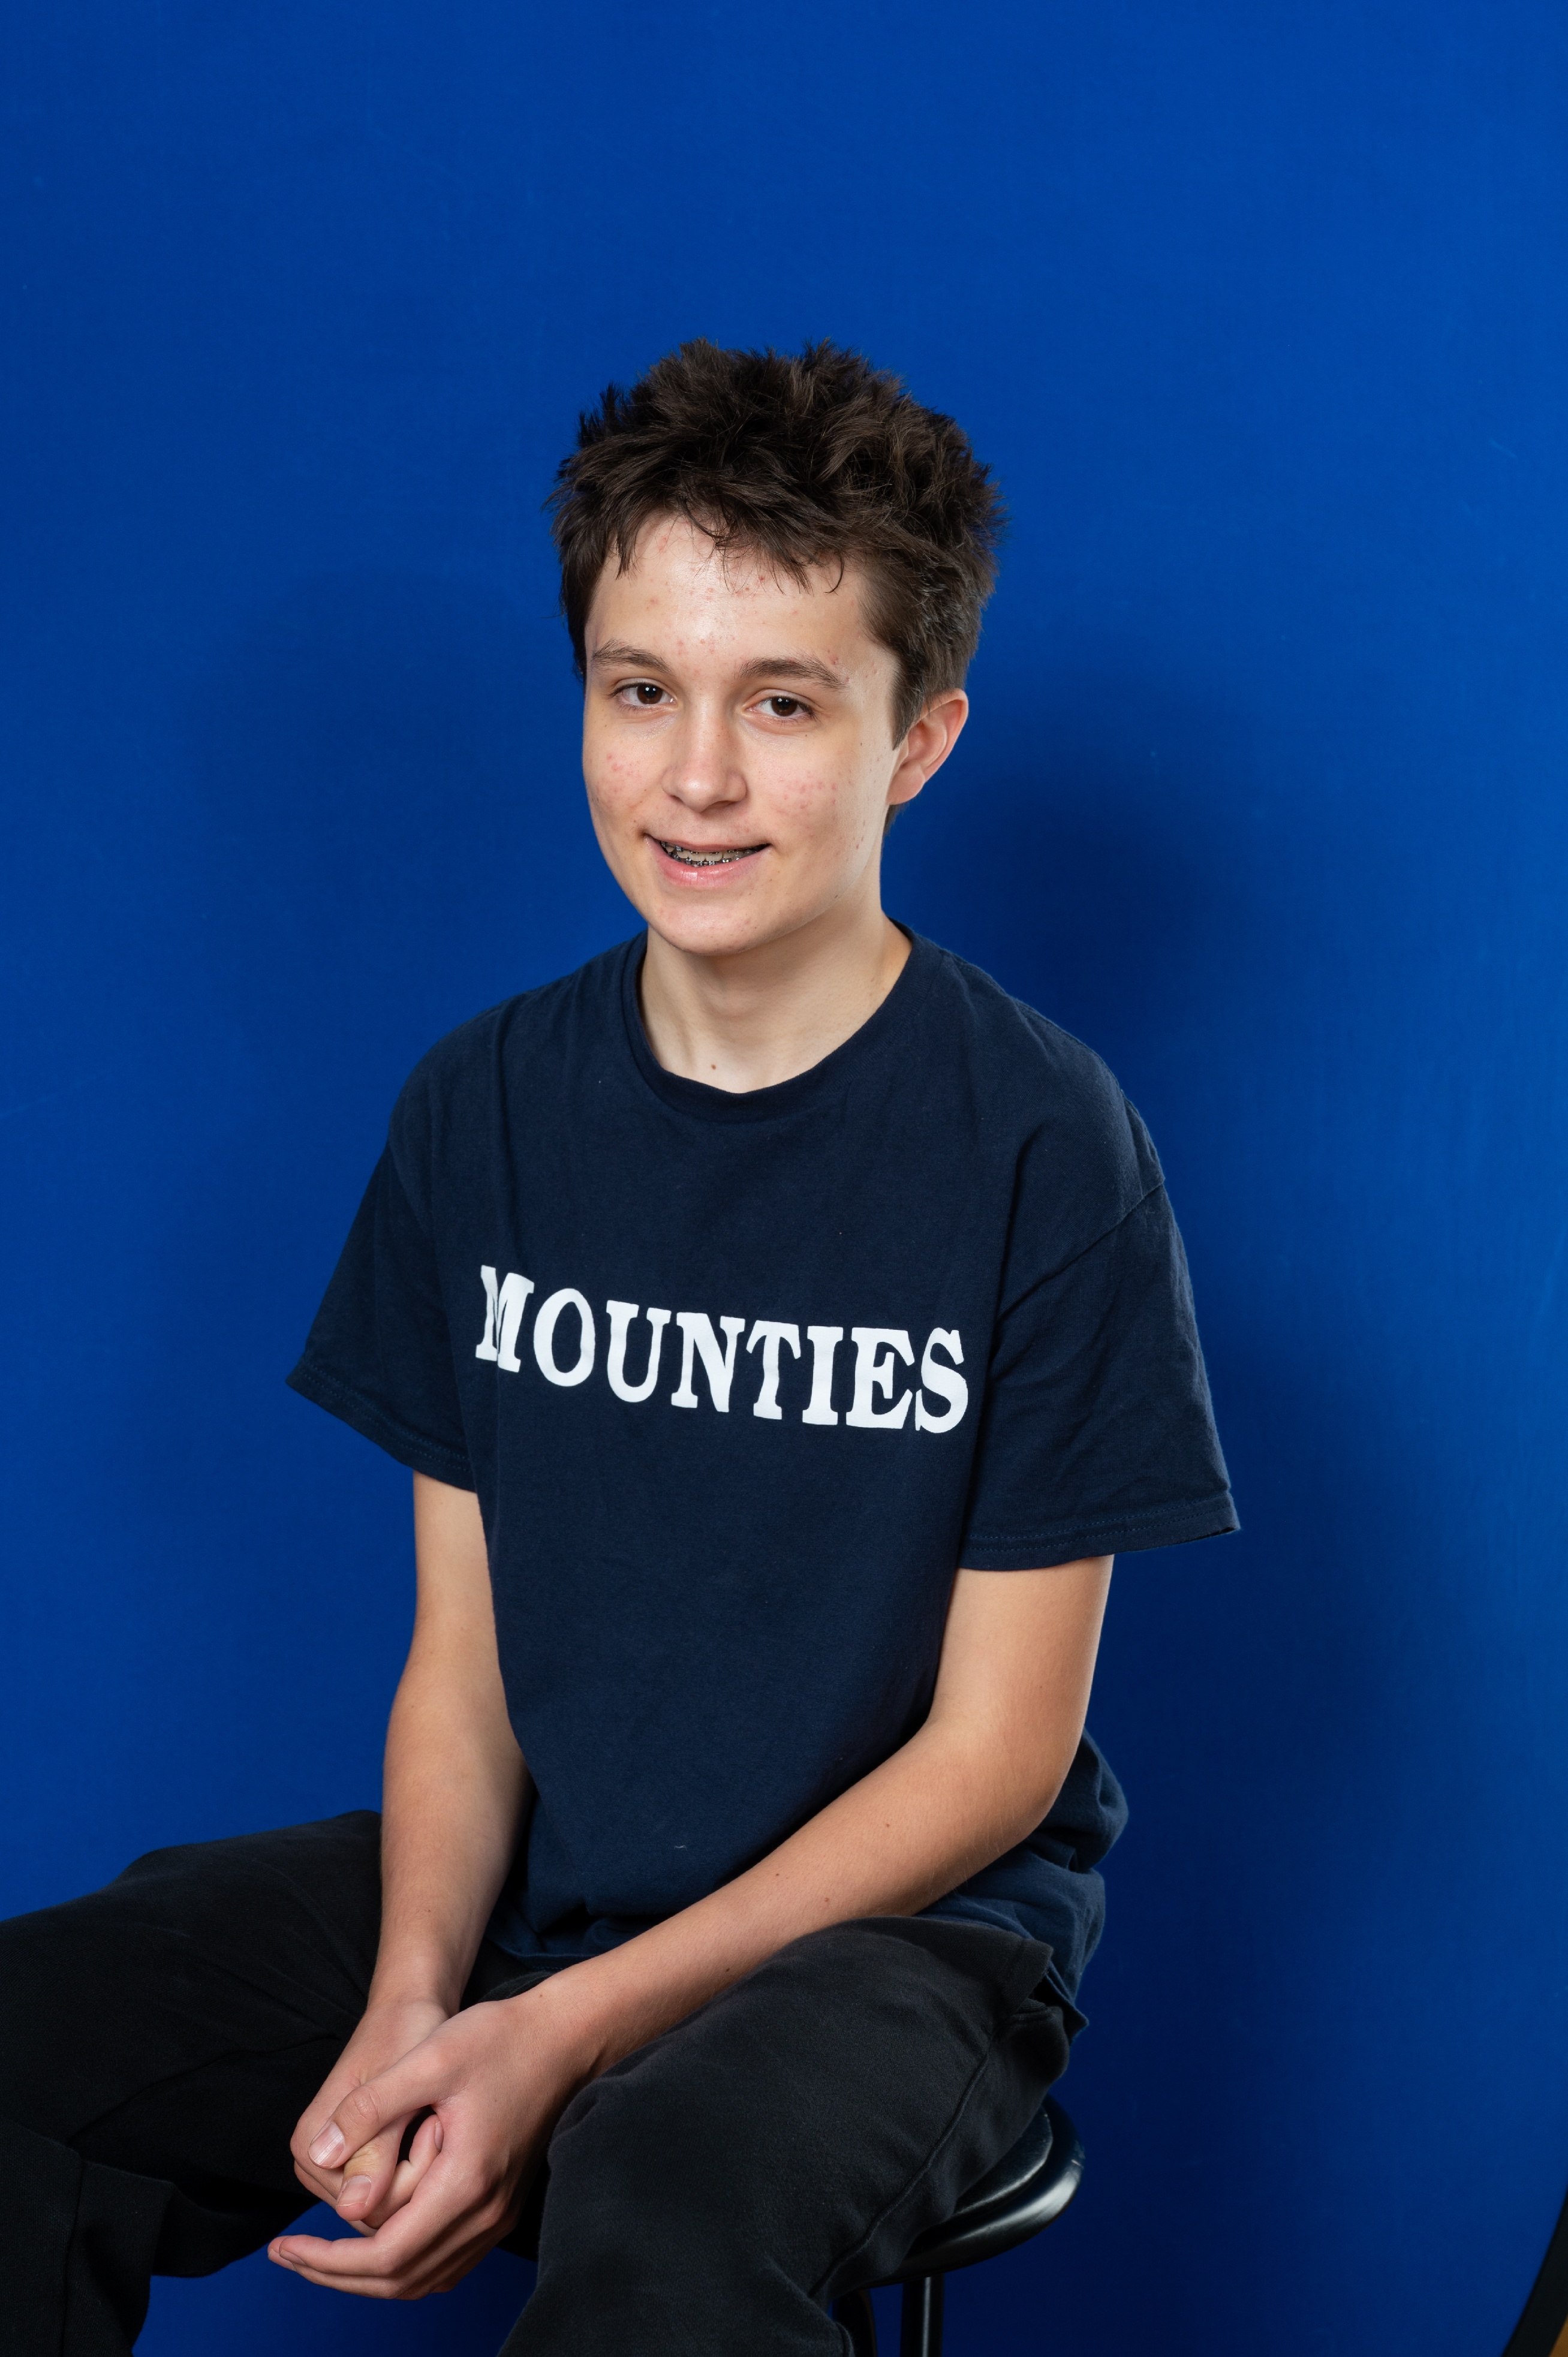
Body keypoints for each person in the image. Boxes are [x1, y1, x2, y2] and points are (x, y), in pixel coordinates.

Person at [0, 340, 1236, 2355]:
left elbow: (998, 1754)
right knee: (36, 2031)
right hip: (535, 1873)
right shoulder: (483, 1108)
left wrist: (566, 2027)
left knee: (667, 2191)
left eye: (785, 702)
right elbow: (468, 1663)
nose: (696, 778)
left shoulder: (1043, 1146)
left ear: (919, 739)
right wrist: (419, 1993)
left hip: (898, 1939)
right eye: (640, 688)